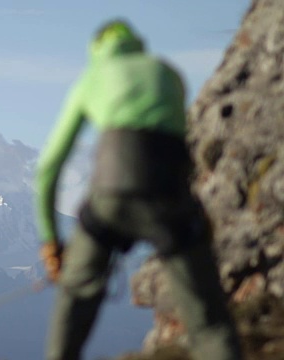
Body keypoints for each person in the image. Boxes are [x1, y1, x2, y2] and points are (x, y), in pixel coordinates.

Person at [35, 19, 242, 360]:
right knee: (208, 323)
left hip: (109, 200)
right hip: (169, 198)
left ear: (97, 52)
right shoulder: (168, 73)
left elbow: (48, 168)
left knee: (73, 302)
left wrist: (51, 243)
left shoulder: (92, 79)